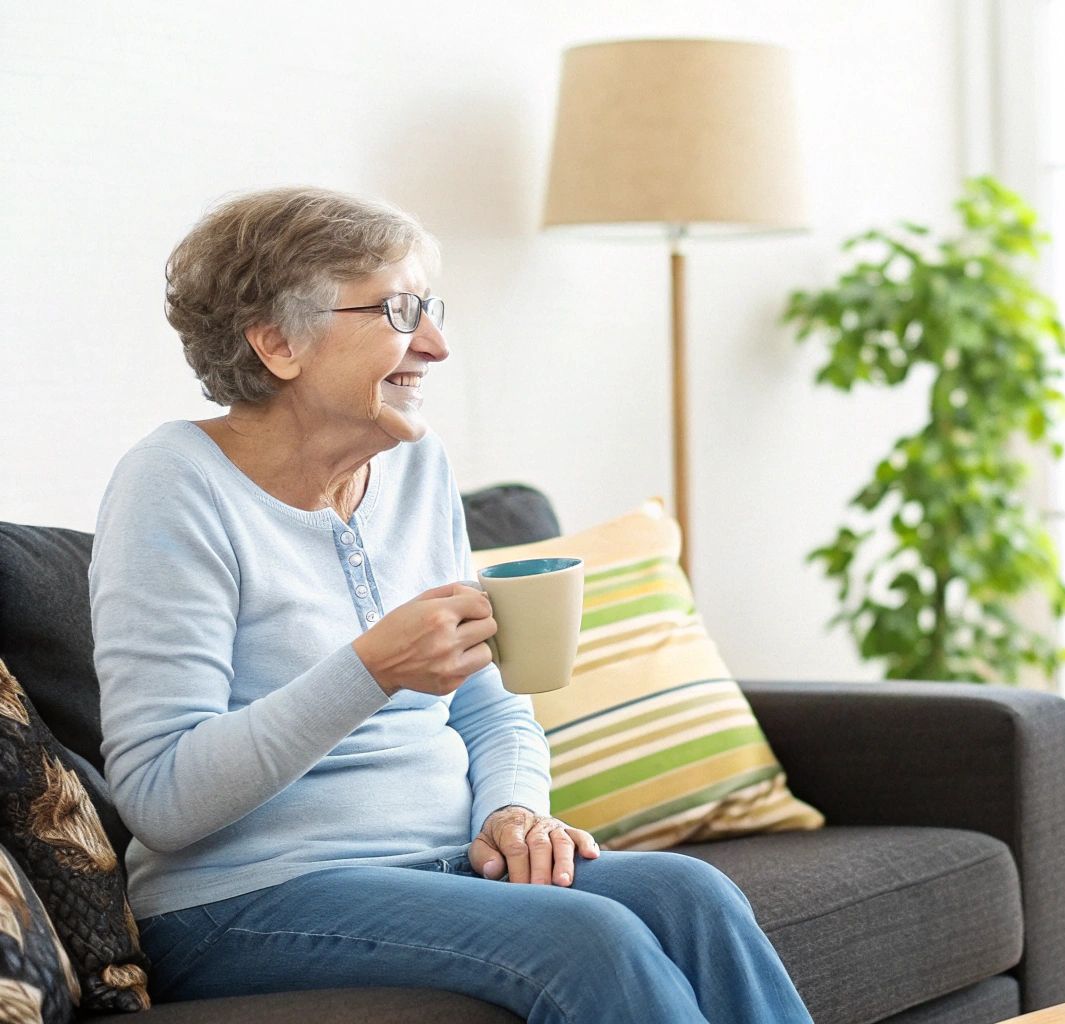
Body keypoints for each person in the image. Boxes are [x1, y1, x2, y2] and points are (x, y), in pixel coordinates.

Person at [89, 186, 813, 1024]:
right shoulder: (174, 484)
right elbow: (160, 799)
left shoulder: (412, 466)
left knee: (693, 894)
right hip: (242, 900)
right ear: (277, 342)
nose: (433, 344)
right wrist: (370, 671)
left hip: (443, 863)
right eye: (399, 311)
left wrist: (515, 810)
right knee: (591, 940)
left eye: (431, 307)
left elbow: (490, 704)